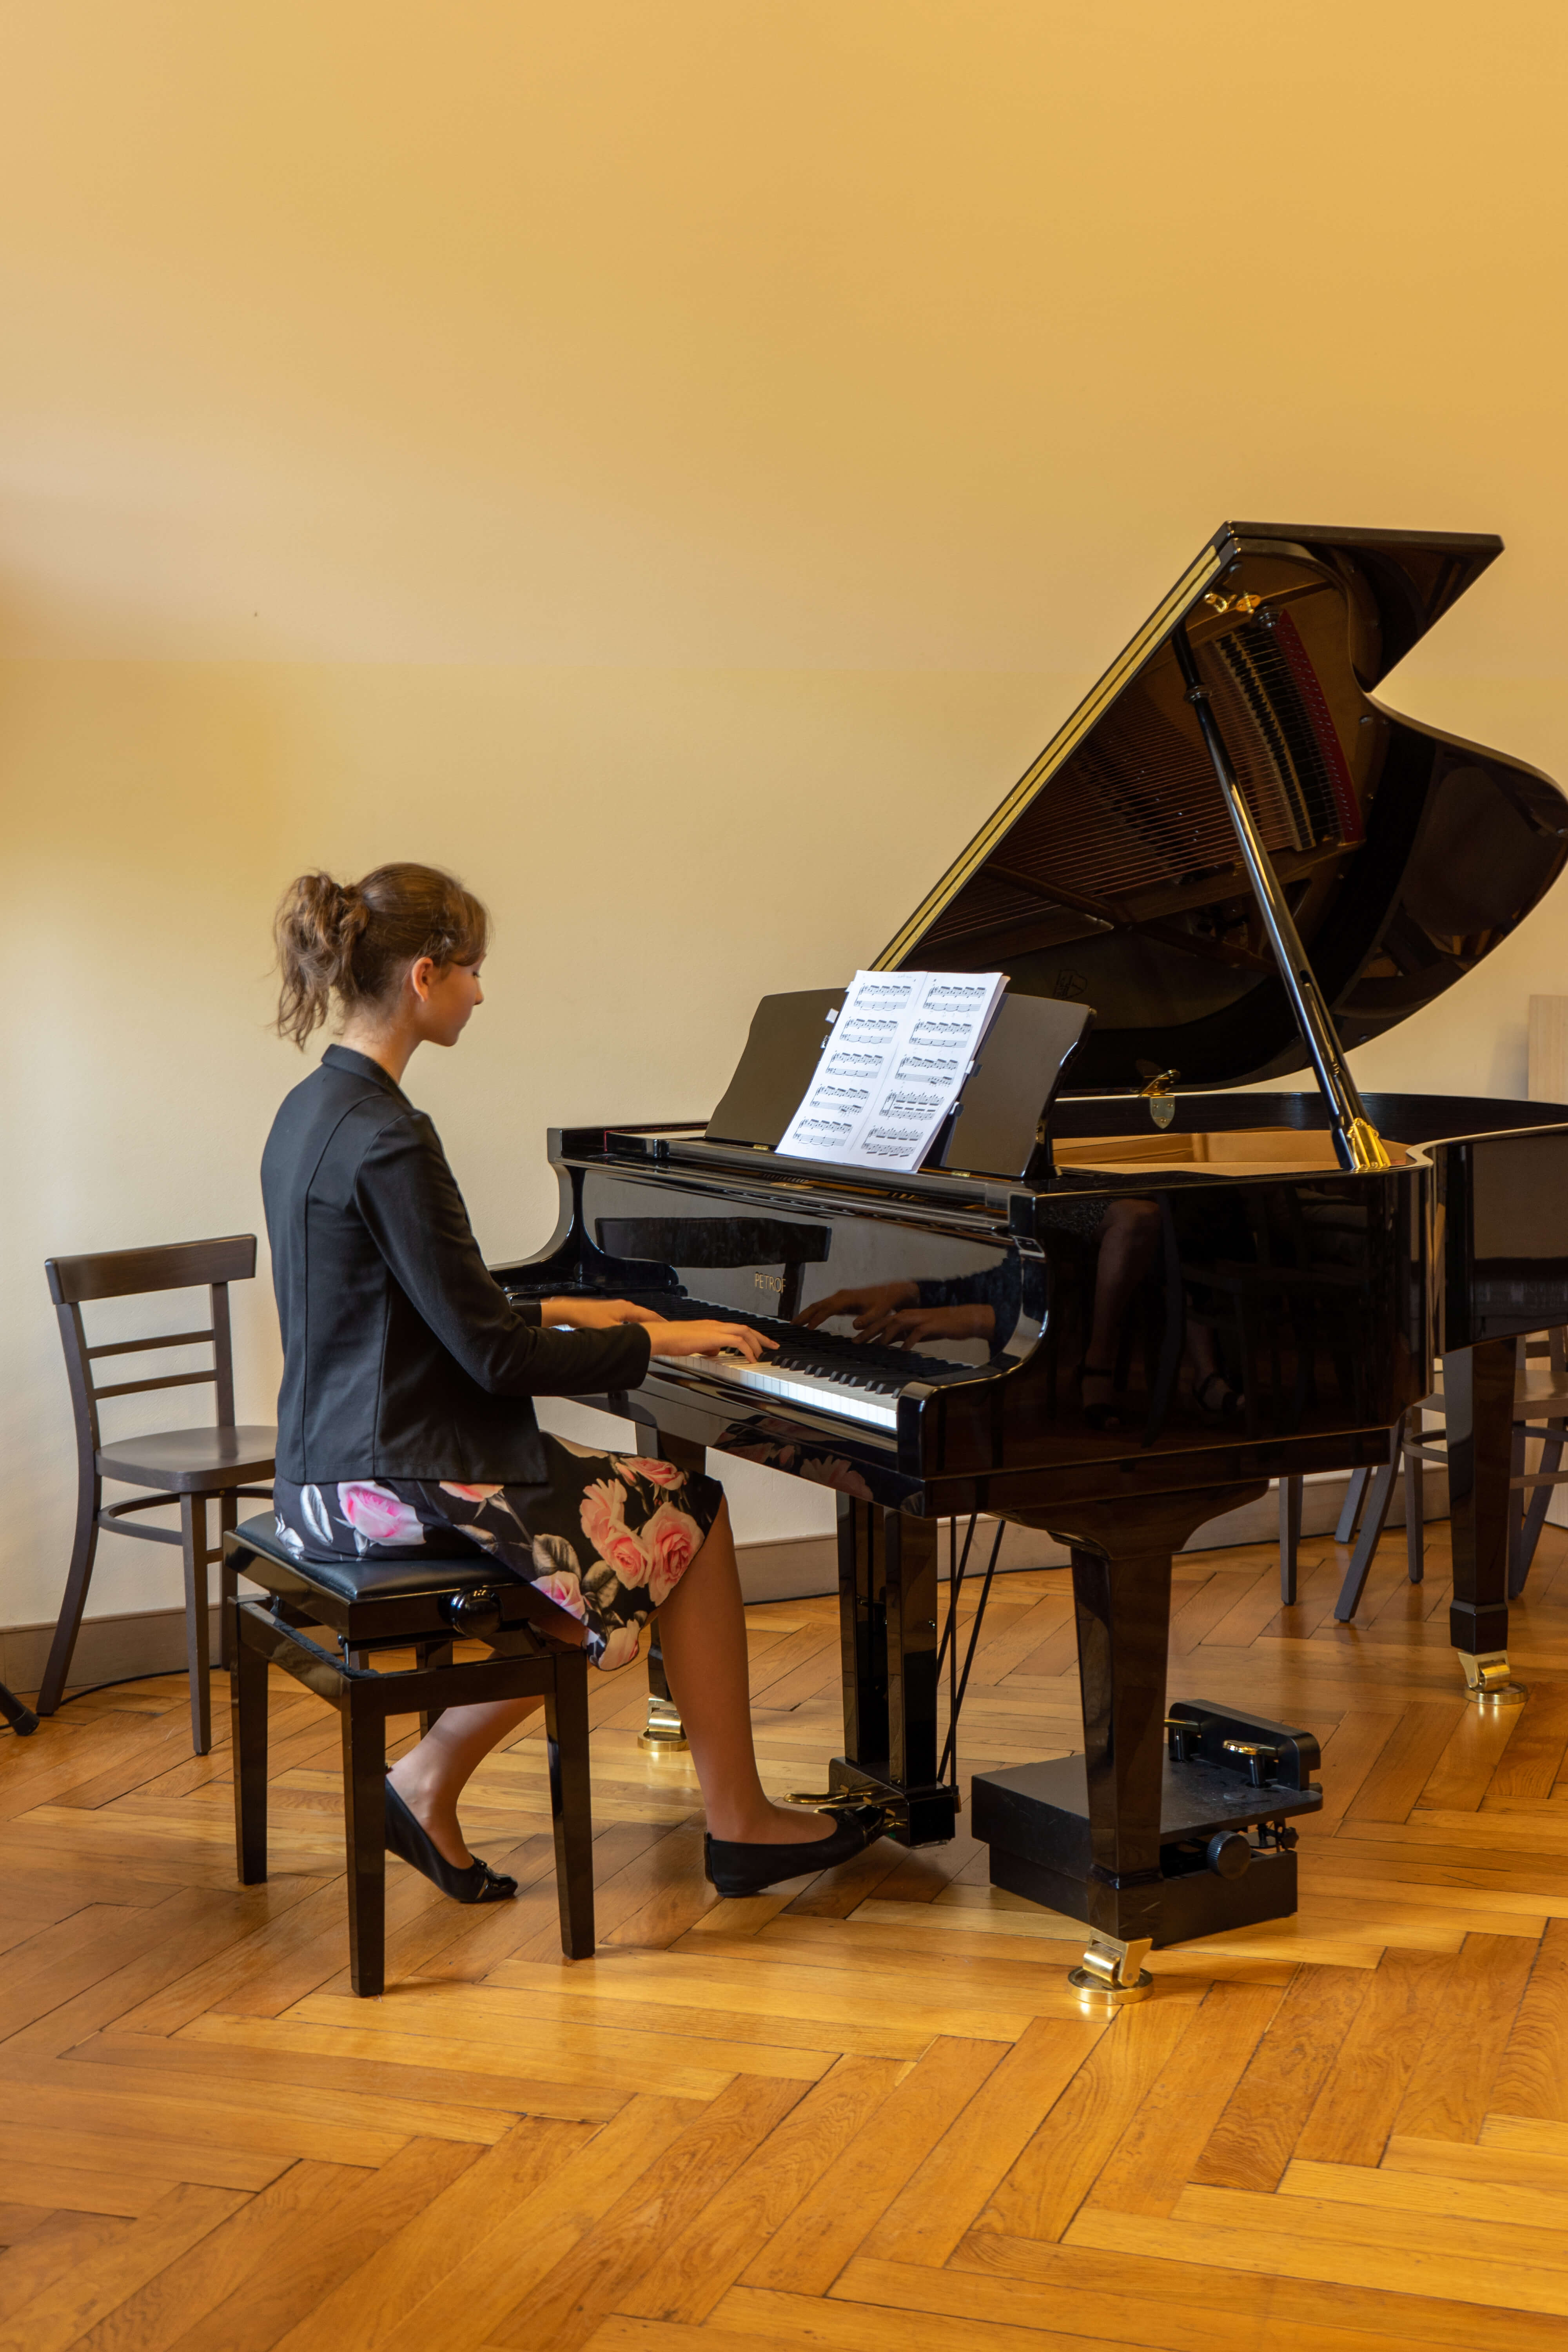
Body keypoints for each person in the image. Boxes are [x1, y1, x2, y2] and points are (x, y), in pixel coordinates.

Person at [260, 862, 886, 1904]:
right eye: (472, 970)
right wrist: (662, 1344)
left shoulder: (316, 1107)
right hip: (395, 1475)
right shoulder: (393, 1138)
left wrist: (567, 1308)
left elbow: (408, 1307)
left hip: (327, 1465)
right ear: (424, 976)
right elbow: (494, 1361)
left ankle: (427, 1781)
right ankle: (739, 1824)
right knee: (689, 1519)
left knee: (613, 1550)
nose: (481, 992)